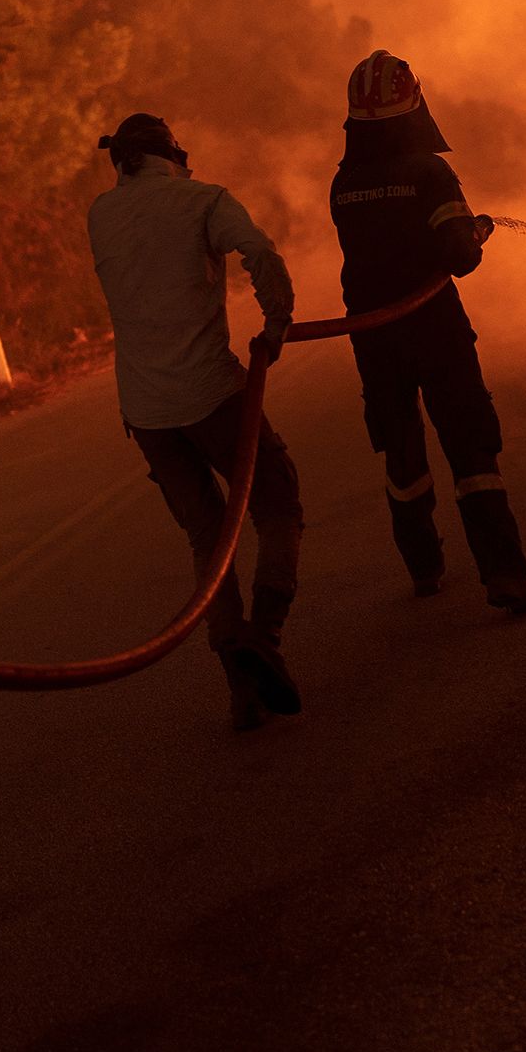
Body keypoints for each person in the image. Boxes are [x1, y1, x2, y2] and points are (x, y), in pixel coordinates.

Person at [86, 111, 309, 730]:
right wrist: (277, 318)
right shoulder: (202, 200)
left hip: (146, 413)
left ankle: (241, 692)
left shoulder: (99, 215)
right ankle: (264, 638)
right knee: (276, 504)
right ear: (173, 155)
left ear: (121, 163)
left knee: (208, 540)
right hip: (211, 393)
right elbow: (259, 251)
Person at [328, 51, 526, 613]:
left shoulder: (344, 181)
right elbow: (459, 257)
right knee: (471, 447)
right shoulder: (428, 171)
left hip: (374, 338)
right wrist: (475, 231)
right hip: (434, 329)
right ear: (414, 105)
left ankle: (424, 567)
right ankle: (504, 575)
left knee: (402, 451)